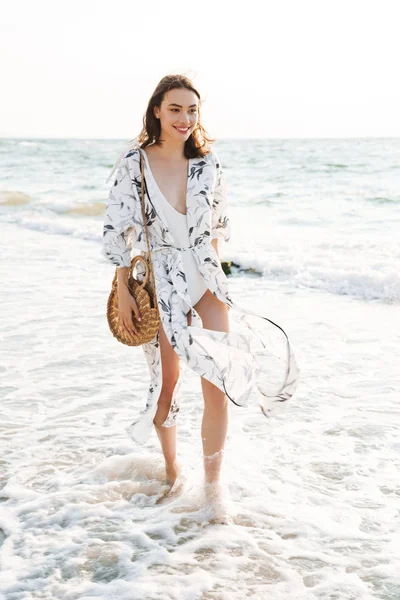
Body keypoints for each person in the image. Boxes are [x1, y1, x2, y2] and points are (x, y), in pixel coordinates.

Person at [102, 74, 299, 512]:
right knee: (167, 385)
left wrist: (214, 283)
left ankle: (213, 486)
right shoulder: (134, 163)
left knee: (218, 380)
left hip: (205, 277)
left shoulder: (207, 163)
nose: (185, 118)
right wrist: (126, 289)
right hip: (164, 277)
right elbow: (118, 231)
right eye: (175, 109)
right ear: (157, 110)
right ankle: (173, 473)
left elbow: (219, 228)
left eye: (192, 110)